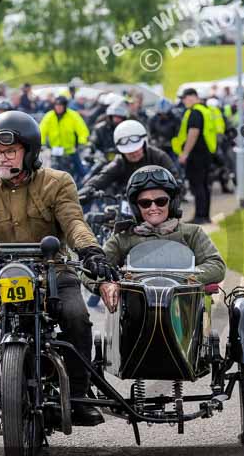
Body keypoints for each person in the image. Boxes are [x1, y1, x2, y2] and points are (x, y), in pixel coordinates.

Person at [0, 110, 116, 431]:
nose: (1, 159)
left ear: (30, 152)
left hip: (54, 270)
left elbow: (74, 222)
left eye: (10, 152)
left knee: (77, 317)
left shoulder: (57, 182)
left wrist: (91, 251)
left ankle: (79, 395)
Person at [93, 165, 226, 313]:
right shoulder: (123, 238)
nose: (153, 207)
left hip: (183, 312)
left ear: (172, 202)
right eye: (145, 203)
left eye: (161, 201)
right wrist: (104, 284)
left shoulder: (192, 232)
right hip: (135, 314)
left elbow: (217, 265)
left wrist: (187, 278)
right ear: (136, 207)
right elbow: (94, 267)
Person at [79, 119, 181, 202]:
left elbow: (176, 179)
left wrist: (164, 191)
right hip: (128, 204)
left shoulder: (159, 157)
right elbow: (103, 176)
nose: (134, 154)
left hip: (157, 203)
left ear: (144, 144)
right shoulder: (119, 161)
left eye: (136, 149)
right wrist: (88, 188)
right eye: (129, 152)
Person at [172, 88, 215, 224]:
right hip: (206, 153)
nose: (183, 101)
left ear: (192, 97)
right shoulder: (205, 110)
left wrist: (185, 153)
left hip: (196, 155)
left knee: (197, 185)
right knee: (204, 185)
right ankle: (205, 215)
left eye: (184, 98)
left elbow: (193, 133)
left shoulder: (195, 112)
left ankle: (200, 216)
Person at [39, 95, 90, 184]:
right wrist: (40, 143)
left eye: (60, 105)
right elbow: (41, 131)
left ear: (65, 106)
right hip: (54, 151)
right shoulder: (49, 116)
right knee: (49, 172)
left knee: (81, 171)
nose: (58, 107)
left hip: (70, 150)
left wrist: (82, 142)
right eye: (56, 105)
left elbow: (83, 130)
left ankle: (84, 184)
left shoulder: (73, 115)